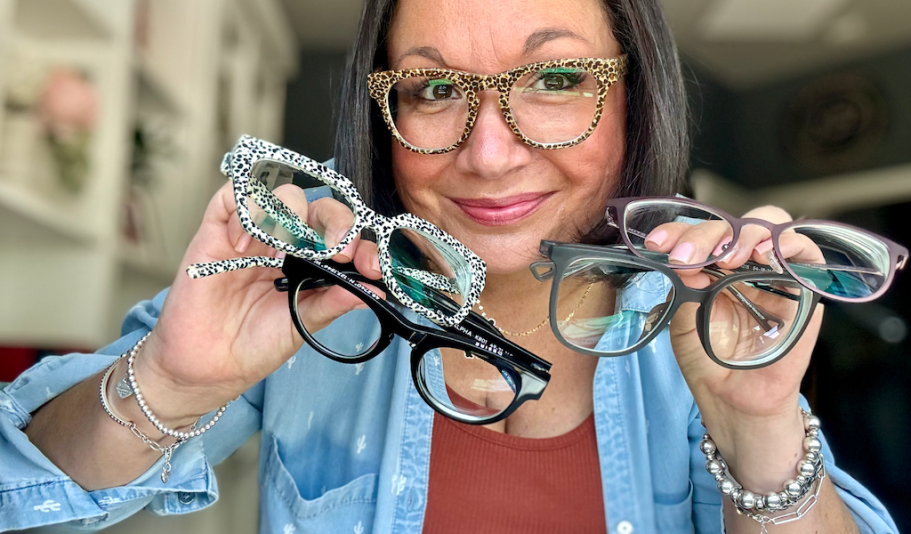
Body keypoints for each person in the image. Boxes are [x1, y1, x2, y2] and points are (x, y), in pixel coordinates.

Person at [0, 0, 898, 532]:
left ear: (635, 102)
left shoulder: (713, 326)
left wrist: (758, 426)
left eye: (554, 80)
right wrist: (170, 381)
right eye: (432, 90)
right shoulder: (308, 304)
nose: (492, 153)